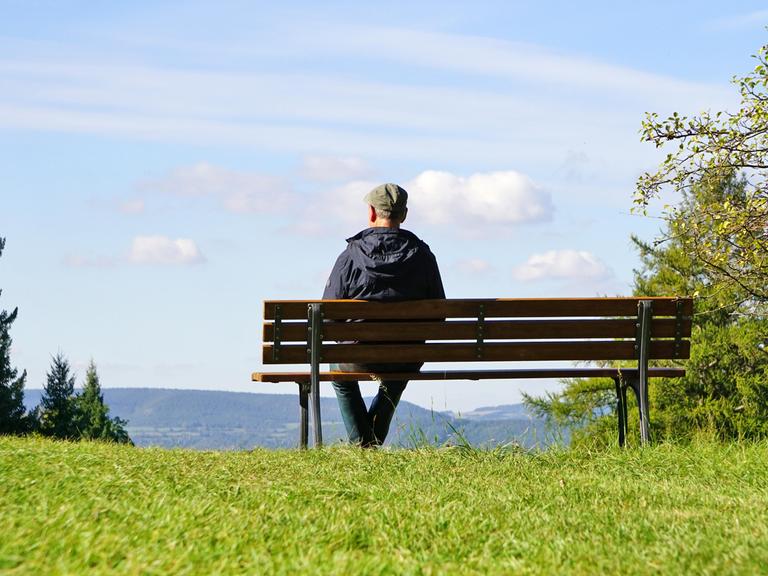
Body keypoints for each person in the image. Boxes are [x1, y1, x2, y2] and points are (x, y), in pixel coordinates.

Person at [323, 183, 445, 447]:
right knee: (398, 374)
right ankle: (369, 443)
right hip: (405, 357)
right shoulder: (423, 256)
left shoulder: (350, 256)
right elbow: (439, 314)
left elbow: (329, 315)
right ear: (404, 214)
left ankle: (363, 444)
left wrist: (348, 341)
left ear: (371, 212)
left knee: (339, 375)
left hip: (358, 356)